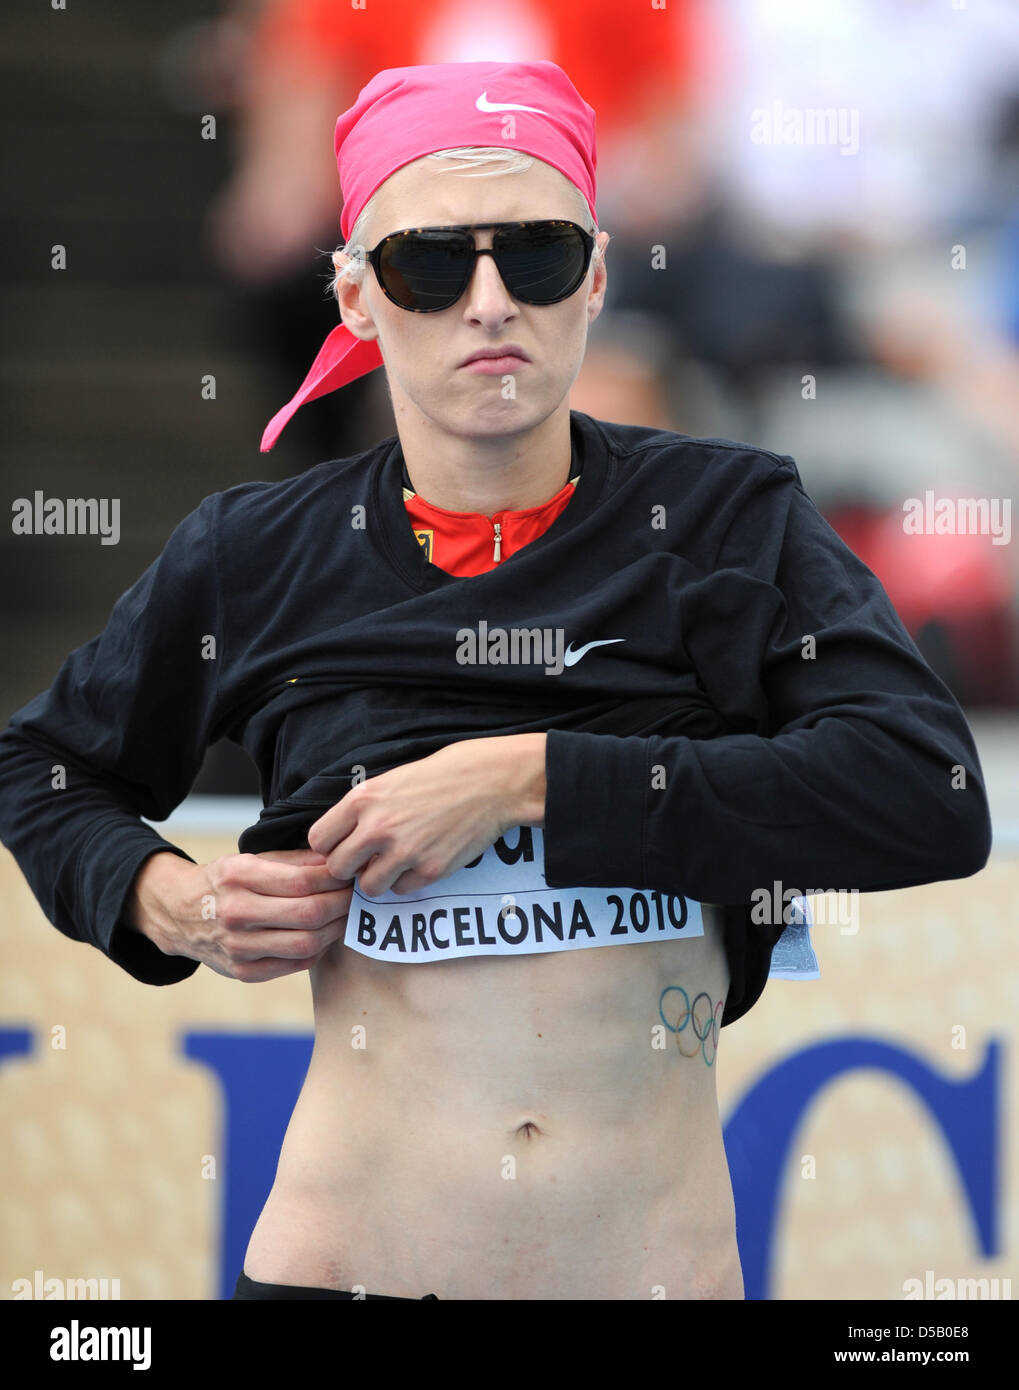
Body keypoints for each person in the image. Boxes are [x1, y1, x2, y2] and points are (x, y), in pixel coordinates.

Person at [0, 61, 992, 1301]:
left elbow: (930, 794)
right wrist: (167, 901)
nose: (486, 304)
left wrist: (525, 778)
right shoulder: (253, 553)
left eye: (533, 255)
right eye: (429, 264)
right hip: (337, 1268)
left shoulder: (732, 516)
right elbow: (38, 768)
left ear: (596, 279)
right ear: (358, 300)